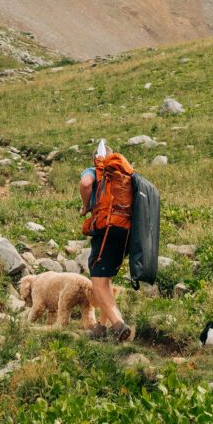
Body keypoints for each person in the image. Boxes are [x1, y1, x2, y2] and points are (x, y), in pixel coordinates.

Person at [80, 141, 135, 342]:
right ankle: (101, 327)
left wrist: (85, 206)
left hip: (106, 229)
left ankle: (118, 324)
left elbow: (86, 184)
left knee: (97, 280)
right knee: (106, 279)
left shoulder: (96, 170)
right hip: (126, 231)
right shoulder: (126, 175)